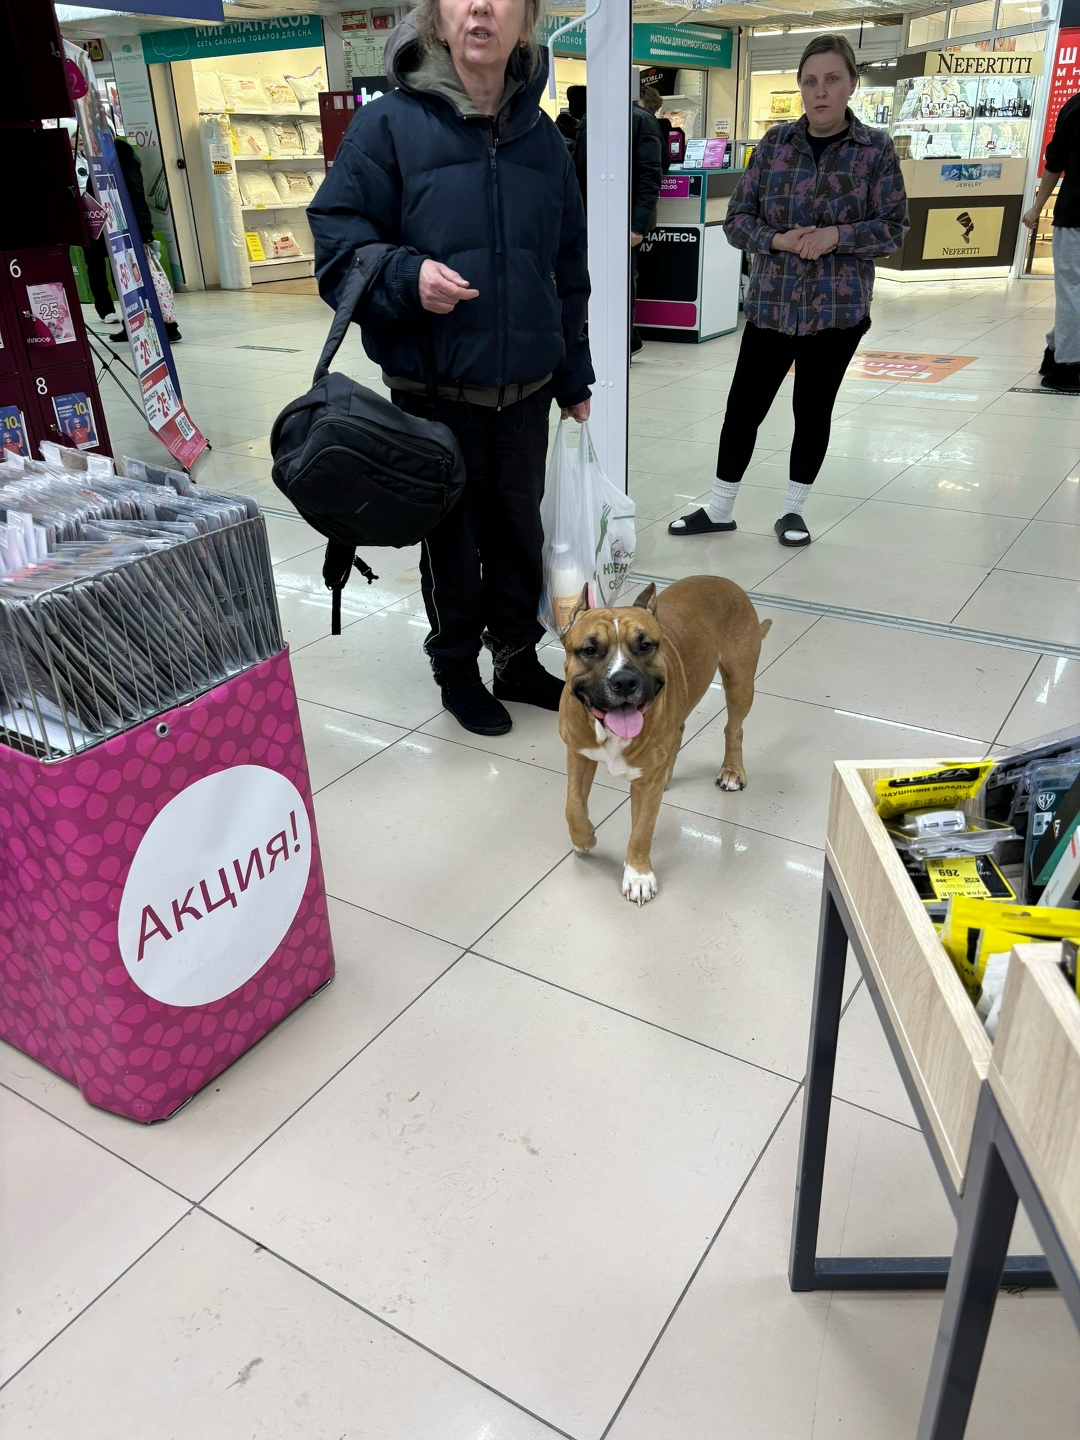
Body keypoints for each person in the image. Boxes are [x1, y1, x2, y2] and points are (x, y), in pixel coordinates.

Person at [307, 0, 592, 737]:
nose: (481, 8)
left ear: (527, 20)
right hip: (433, 392)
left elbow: (567, 266)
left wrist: (574, 375)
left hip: (525, 393)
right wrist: (407, 278)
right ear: (438, 17)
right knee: (452, 546)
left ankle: (516, 658)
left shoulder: (544, 141)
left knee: (519, 537)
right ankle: (458, 669)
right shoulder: (387, 126)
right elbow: (337, 243)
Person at [668, 34, 908, 547]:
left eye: (832, 79)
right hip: (770, 306)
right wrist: (778, 239)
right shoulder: (775, 145)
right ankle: (719, 507)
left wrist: (836, 236)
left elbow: (894, 229)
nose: (820, 91)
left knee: (812, 410)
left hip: (837, 312)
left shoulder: (875, 150)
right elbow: (737, 220)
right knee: (743, 409)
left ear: (852, 84)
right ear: (800, 86)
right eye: (810, 81)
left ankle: (793, 511)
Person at [573, 95, 662, 354]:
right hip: (595, 214)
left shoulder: (640, 121)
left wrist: (637, 225)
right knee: (599, 279)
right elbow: (579, 168)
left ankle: (623, 340)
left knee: (620, 279)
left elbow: (650, 175)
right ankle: (619, 339)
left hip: (623, 217)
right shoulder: (593, 118)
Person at [1024, 90, 1080, 390]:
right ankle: (1064, 360)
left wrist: (1037, 207)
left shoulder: (1075, 106)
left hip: (1074, 215)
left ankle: (1062, 358)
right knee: (1074, 293)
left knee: (1072, 291)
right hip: (1074, 216)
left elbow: (1055, 162)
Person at [108, 139, 181, 345]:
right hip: (120, 230)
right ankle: (133, 324)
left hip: (131, 231)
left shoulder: (122, 162)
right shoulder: (114, 161)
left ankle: (167, 326)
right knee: (127, 280)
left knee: (141, 279)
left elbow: (136, 197)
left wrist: (144, 230)